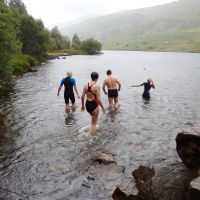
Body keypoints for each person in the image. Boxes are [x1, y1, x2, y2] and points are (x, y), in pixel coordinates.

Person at [81, 72, 105, 136]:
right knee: (94, 123)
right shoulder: (97, 86)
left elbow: (82, 96)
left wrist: (83, 106)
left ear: (91, 77)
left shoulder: (85, 85)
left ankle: (91, 130)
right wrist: (103, 107)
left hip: (87, 104)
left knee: (93, 120)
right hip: (94, 104)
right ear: (97, 78)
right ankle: (92, 137)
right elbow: (98, 99)